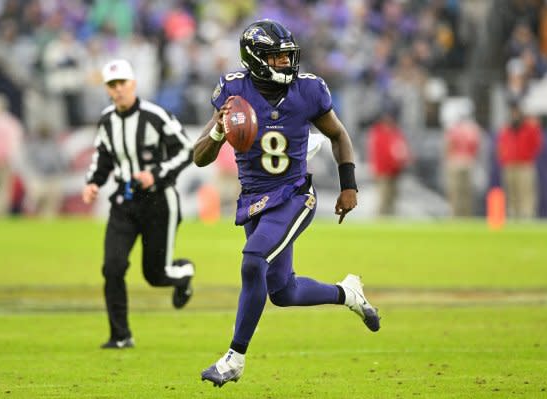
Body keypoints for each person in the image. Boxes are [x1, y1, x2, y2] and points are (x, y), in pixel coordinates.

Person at [193, 20, 380, 387]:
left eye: (287, 56)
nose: (285, 64)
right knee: (282, 291)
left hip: (294, 195)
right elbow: (199, 157)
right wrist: (219, 129)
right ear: (257, 60)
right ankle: (348, 293)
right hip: (254, 199)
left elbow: (338, 134)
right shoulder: (234, 91)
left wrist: (349, 186)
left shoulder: (308, 90)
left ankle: (234, 358)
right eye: (277, 58)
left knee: (253, 261)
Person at [82, 59, 195, 349]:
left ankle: (183, 274)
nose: (118, 90)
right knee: (112, 267)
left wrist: (155, 174)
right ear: (107, 89)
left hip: (159, 202)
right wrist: (94, 182)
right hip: (124, 202)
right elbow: (103, 156)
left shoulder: (155, 115)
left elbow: (186, 150)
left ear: (132, 84)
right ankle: (120, 335)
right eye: (112, 85)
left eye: (122, 84)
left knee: (156, 275)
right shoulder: (107, 119)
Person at [497, 100, 543, 219]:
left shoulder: (530, 128)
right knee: (512, 192)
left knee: (526, 192)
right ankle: (513, 215)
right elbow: (501, 145)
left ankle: (527, 215)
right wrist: (504, 158)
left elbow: (536, 145)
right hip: (509, 164)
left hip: (524, 164)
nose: (514, 114)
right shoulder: (507, 128)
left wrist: (527, 156)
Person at [367, 101, 410, 216]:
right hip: (383, 171)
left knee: (392, 200)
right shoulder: (378, 132)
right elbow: (379, 154)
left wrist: (402, 161)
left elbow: (402, 149)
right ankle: (380, 225)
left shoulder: (395, 132)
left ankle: (390, 223)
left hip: (395, 171)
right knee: (383, 200)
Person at [444, 113, 482, 217]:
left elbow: (476, 147)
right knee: (456, 193)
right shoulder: (454, 129)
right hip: (457, 163)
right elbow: (448, 146)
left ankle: (465, 216)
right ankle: (455, 215)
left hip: (466, 163)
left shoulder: (472, 129)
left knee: (465, 193)